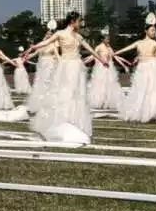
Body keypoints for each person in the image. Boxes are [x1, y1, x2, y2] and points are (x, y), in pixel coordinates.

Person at [23, 12, 108, 140]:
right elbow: (46, 43)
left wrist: (101, 60)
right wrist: (32, 48)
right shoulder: (60, 33)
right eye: (79, 21)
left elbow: (90, 49)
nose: (80, 24)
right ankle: (61, 121)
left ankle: (74, 121)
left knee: (76, 93)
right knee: (64, 91)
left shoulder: (78, 36)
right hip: (65, 66)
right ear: (72, 21)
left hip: (77, 66)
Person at [113, 14, 156, 123]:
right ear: (146, 31)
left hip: (153, 67)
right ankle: (141, 112)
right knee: (140, 91)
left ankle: (154, 112)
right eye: (152, 30)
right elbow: (127, 48)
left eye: (154, 30)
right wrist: (116, 53)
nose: (153, 32)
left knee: (154, 90)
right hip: (142, 69)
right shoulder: (139, 43)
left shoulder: (154, 43)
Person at [85, 28, 127, 110]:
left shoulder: (109, 48)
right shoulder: (99, 47)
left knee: (109, 85)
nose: (108, 40)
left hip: (109, 68)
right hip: (101, 68)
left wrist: (124, 64)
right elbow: (92, 56)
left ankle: (108, 101)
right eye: (106, 38)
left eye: (108, 38)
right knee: (100, 85)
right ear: (102, 39)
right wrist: (84, 61)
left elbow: (115, 57)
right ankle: (100, 101)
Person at [24, 22, 59, 113]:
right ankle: (40, 102)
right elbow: (34, 53)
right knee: (40, 82)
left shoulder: (54, 45)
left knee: (48, 81)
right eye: (47, 33)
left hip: (50, 65)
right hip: (42, 65)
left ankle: (49, 102)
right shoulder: (42, 45)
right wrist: (27, 56)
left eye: (50, 34)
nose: (48, 35)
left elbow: (57, 56)